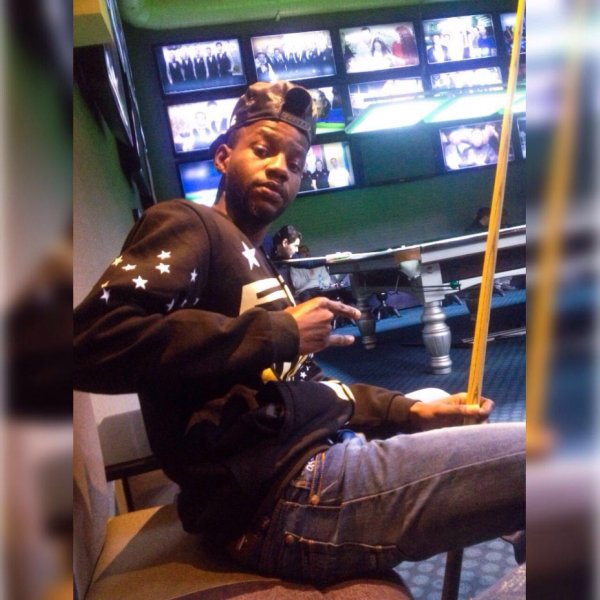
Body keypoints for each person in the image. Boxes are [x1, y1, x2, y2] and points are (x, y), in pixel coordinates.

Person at [74, 81, 524, 586]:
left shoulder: (259, 261)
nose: (279, 169)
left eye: (294, 163)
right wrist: (281, 329)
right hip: (287, 494)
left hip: (317, 458)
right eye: (263, 150)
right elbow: (92, 343)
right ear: (223, 157)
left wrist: (406, 411)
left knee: (451, 415)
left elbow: (304, 388)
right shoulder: (187, 222)